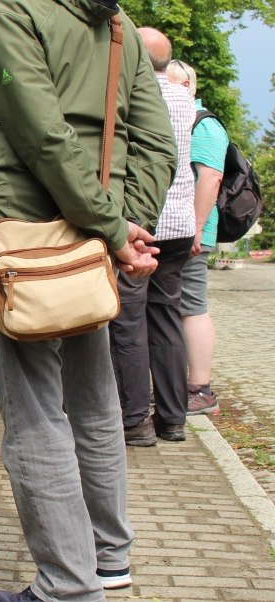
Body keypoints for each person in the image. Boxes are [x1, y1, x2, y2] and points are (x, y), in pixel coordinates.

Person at [0, 0, 177, 599]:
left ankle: (66, 583)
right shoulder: (116, 23)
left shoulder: (9, 13)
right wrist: (126, 225)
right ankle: (109, 562)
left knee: (32, 416)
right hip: (91, 242)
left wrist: (118, 230)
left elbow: (41, 136)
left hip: (23, 240)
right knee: (93, 401)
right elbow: (156, 143)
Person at [109, 29, 196, 446]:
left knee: (127, 320)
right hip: (181, 224)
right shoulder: (187, 99)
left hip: (144, 222)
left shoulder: (133, 94)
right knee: (167, 317)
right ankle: (173, 418)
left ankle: (133, 420)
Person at [167, 59, 226, 416]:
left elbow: (210, 178)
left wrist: (196, 228)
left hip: (192, 232)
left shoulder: (202, 124)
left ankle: (200, 389)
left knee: (192, 308)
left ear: (190, 86)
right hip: (182, 228)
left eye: (173, 83)